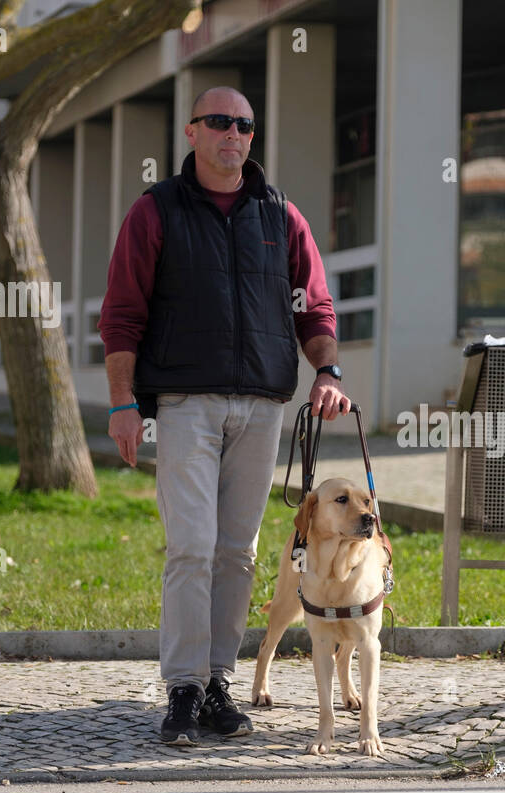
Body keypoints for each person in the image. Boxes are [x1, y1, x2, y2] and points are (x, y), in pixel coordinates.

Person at [97, 86, 350, 745]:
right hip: (185, 405)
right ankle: (182, 688)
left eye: (243, 125)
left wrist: (327, 372)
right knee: (192, 546)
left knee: (237, 553)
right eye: (218, 122)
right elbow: (122, 315)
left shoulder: (280, 214)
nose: (231, 134)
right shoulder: (156, 212)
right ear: (191, 132)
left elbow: (314, 308)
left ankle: (218, 684)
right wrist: (124, 404)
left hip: (262, 406)